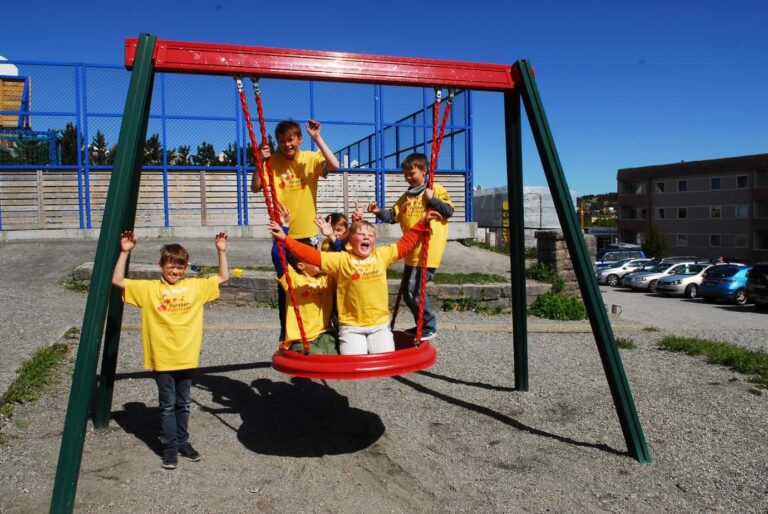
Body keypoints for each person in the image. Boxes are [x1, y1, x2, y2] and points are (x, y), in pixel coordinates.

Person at [111, 231, 229, 470]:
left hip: (186, 355)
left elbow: (223, 277)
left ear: (186, 267)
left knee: (183, 403)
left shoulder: (194, 287)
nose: (175, 271)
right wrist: (124, 252)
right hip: (162, 356)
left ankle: (183, 442)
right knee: (167, 404)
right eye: (171, 267)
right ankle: (170, 448)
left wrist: (221, 251)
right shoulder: (149, 289)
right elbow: (118, 281)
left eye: (180, 267)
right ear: (161, 266)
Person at [268, 212, 442, 355]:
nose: (367, 237)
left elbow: (406, 243)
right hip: (351, 327)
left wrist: (422, 223)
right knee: (353, 360)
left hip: (379, 325)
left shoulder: (382, 255)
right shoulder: (342, 260)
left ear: (374, 241)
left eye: (371, 235)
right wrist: (285, 239)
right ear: (350, 241)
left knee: (383, 361)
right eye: (361, 234)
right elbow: (311, 256)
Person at [251, 119, 339, 341]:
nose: (286, 144)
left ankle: (321, 327)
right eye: (282, 141)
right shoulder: (272, 161)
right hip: (284, 231)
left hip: (307, 233)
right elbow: (256, 187)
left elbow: (334, 165)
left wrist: (317, 138)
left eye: (290, 140)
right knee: (286, 285)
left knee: (315, 282)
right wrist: (259, 161)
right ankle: (288, 331)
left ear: (299, 139)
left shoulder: (310, 158)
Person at [366, 152, 454, 340]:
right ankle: (421, 324)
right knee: (407, 292)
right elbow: (393, 216)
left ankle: (429, 326)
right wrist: (377, 211)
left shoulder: (435, 189)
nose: (408, 177)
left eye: (411, 173)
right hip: (411, 251)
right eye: (405, 174)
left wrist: (432, 200)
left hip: (427, 251)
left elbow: (448, 211)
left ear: (424, 171)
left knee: (414, 290)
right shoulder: (406, 197)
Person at [270, 210, 337, 355]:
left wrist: (330, 235)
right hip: (301, 339)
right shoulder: (293, 280)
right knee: (317, 358)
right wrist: (284, 228)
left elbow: (341, 254)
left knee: (338, 355)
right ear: (301, 265)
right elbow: (277, 255)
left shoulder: (327, 278)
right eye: (313, 259)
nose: (318, 259)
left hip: (325, 334)